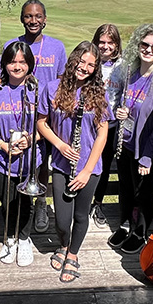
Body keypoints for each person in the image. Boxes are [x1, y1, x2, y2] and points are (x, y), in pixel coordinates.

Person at [37, 41, 111, 283]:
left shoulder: (97, 93)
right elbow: (41, 123)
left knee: (80, 216)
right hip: (60, 163)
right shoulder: (52, 88)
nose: (85, 68)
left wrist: (87, 171)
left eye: (91, 65)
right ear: (73, 60)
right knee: (61, 219)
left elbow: (102, 132)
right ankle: (63, 243)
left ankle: (73, 254)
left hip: (89, 168)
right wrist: (60, 145)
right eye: (82, 61)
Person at [108, 23, 153, 253]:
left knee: (142, 191)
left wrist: (147, 156)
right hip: (124, 143)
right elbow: (127, 105)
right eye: (144, 44)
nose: (148, 50)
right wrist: (121, 113)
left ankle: (141, 230)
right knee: (125, 187)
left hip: (145, 148)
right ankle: (125, 223)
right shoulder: (129, 72)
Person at [5, 0, 67, 234]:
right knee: (23, 155)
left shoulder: (57, 47)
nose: (33, 20)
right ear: (22, 19)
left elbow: (62, 79)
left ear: (45, 19)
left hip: (47, 112)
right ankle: (20, 205)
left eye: (38, 16)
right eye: (28, 16)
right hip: (19, 109)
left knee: (43, 160)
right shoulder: (13, 44)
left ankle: (41, 202)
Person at [0, 41, 41, 266]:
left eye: (22, 61)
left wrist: (31, 139)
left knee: (26, 201)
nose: (17, 66)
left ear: (29, 64)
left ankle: (25, 238)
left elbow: (45, 124)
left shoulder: (37, 89)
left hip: (30, 157)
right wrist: (3, 144)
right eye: (12, 62)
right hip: (4, 157)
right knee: (7, 201)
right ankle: (9, 238)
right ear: (5, 64)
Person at [89, 24, 123, 230]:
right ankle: (80, 201)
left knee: (104, 165)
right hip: (89, 122)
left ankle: (98, 203)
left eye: (110, 42)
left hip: (112, 124)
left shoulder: (124, 66)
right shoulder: (89, 61)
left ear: (117, 44)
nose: (105, 46)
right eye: (101, 42)